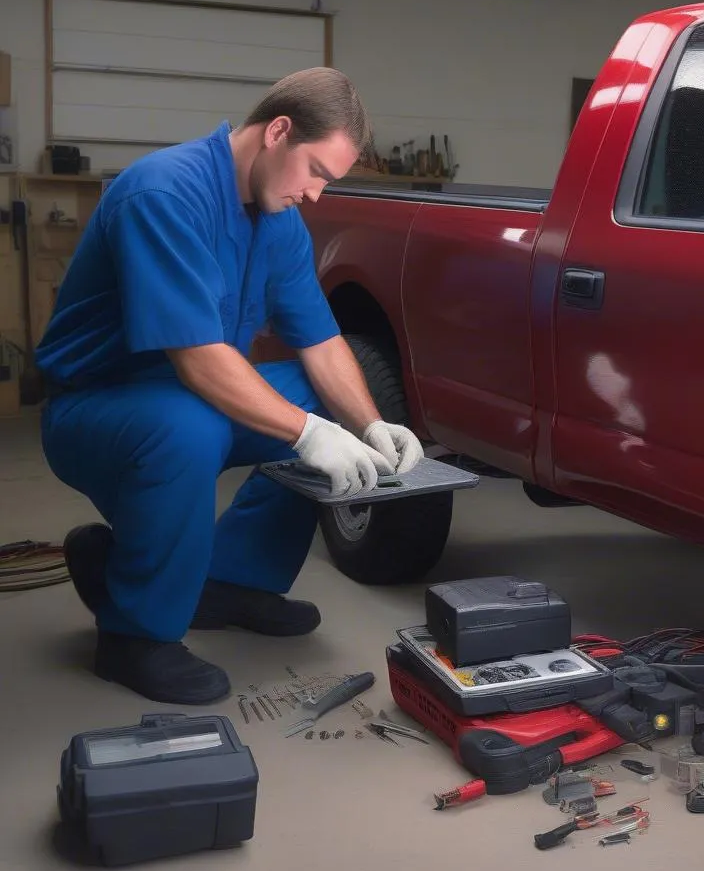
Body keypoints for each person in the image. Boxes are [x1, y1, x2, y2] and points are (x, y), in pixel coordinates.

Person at [35, 68, 424, 706]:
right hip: (96, 409)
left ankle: (228, 580)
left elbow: (322, 344)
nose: (318, 194)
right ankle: (136, 636)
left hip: (189, 397)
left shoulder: (278, 221)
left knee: (314, 394)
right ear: (277, 131)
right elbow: (198, 362)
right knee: (192, 425)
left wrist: (367, 425)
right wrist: (306, 433)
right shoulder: (164, 192)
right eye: (318, 172)